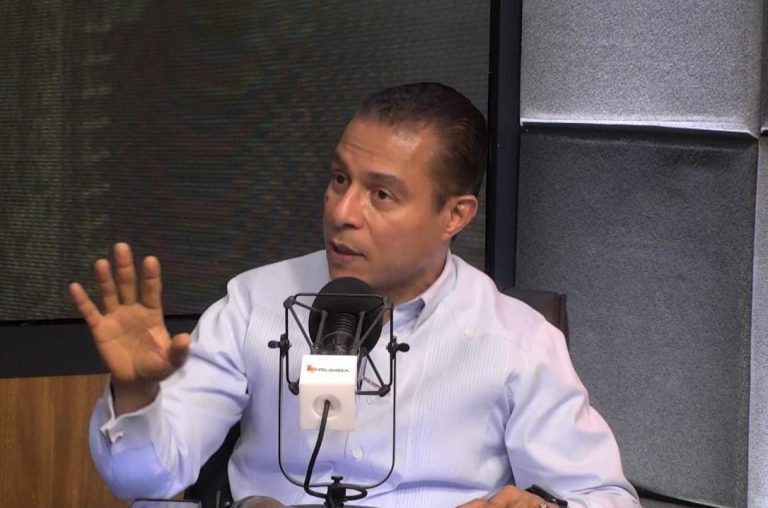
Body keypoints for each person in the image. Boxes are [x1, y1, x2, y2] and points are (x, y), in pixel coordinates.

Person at [70, 82, 640, 508]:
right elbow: (142, 479)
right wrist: (136, 395)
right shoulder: (253, 305)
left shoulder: (517, 340)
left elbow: (605, 496)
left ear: (455, 215)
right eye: (340, 179)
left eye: (381, 195)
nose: (342, 213)